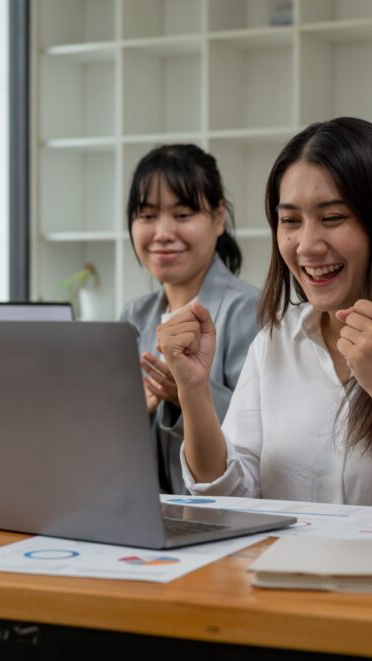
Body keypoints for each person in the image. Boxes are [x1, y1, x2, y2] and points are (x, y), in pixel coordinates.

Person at [156, 118, 372, 507]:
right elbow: (228, 497)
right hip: (287, 567)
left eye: (333, 218)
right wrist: (193, 392)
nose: (307, 245)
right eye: (290, 221)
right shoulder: (275, 342)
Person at [119, 144, 260, 495]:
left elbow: (265, 428)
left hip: (223, 517)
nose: (163, 233)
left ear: (218, 218)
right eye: (147, 216)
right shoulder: (133, 316)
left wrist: (186, 393)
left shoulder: (251, 310)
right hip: (144, 514)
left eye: (182, 215)